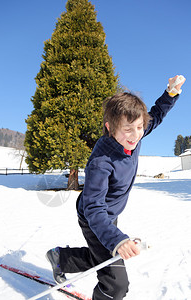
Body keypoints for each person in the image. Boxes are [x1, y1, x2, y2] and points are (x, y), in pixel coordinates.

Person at [46, 75, 186, 300]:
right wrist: (117, 239)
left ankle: (61, 258)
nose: (135, 135)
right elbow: (93, 207)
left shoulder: (134, 137)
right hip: (94, 218)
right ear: (110, 127)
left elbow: (156, 114)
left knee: (102, 257)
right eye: (128, 129)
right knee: (116, 284)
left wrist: (170, 92)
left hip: (110, 216)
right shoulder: (101, 162)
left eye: (139, 127)